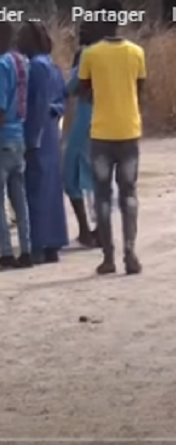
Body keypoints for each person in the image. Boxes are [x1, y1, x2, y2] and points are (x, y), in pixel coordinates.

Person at [78, 0, 145, 275]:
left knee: (103, 196)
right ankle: (131, 251)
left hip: (101, 133)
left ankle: (109, 257)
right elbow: (139, 91)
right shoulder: (137, 52)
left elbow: (83, 91)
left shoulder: (90, 55)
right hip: (129, 131)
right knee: (129, 194)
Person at [0, 21, 32, 270]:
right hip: (19, 135)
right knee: (19, 198)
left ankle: (7, 252)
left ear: (0, 36)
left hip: (2, 137)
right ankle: (27, 249)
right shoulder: (23, 62)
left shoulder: (0, 66)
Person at [17, 21, 69, 264]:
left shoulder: (36, 67)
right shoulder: (52, 65)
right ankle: (53, 243)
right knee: (51, 188)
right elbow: (62, 99)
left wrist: (31, 139)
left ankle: (38, 244)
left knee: (35, 189)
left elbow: (35, 105)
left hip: (37, 132)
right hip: (51, 132)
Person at [63, 22, 101, 248]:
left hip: (86, 119)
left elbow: (71, 87)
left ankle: (86, 230)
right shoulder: (114, 54)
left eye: (85, 31)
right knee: (99, 176)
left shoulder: (88, 55)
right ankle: (100, 229)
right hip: (106, 119)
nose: (80, 35)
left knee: (71, 174)